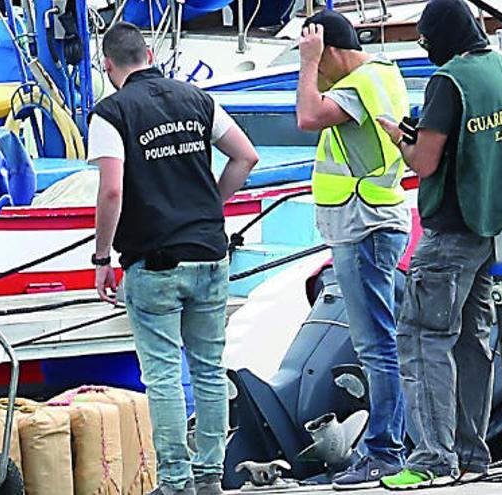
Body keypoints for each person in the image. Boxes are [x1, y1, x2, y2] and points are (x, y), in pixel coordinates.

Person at [89, 22, 259, 495]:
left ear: (108, 66)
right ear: (148, 52)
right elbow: (245, 156)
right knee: (208, 367)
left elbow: (111, 190)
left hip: (154, 260)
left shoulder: (111, 113)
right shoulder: (198, 99)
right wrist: (210, 208)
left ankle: (175, 482)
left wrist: (102, 256)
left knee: (163, 373)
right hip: (209, 252)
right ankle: (210, 478)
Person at [376, 0, 502, 489]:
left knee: (422, 341)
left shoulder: (449, 81)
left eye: (425, 40)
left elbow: (423, 162)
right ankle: (471, 453)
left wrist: (397, 139)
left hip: (450, 230)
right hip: (491, 228)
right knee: (471, 343)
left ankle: (432, 458)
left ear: (441, 34)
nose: (425, 49)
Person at [295, 10, 411, 490]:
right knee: (388, 344)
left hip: (364, 225)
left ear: (333, 53)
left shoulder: (356, 85)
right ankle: (395, 446)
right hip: (377, 221)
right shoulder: (382, 72)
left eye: (321, 65)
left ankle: (384, 452)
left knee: (377, 347)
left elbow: (307, 116)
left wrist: (306, 62)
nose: (317, 78)